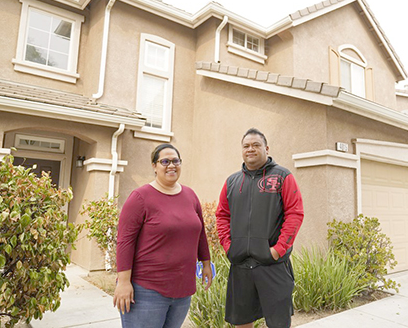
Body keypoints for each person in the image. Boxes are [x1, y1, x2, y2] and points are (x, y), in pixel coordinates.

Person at [114, 143, 212, 328]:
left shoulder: (190, 195)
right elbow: (125, 241)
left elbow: (199, 233)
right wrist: (124, 282)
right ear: (154, 166)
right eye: (165, 161)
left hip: (183, 290)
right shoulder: (140, 197)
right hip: (146, 291)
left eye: (175, 161)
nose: (171, 165)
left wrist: (206, 263)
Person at [216, 128, 304, 328]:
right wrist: (229, 247)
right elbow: (222, 215)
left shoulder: (282, 176)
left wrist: (278, 250)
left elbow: (295, 213)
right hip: (241, 266)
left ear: (266, 148)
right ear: (242, 150)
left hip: (272, 265)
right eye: (246, 146)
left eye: (256, 145)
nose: (251, 149)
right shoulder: (232, 182)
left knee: (278, 323)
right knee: (242, 322)